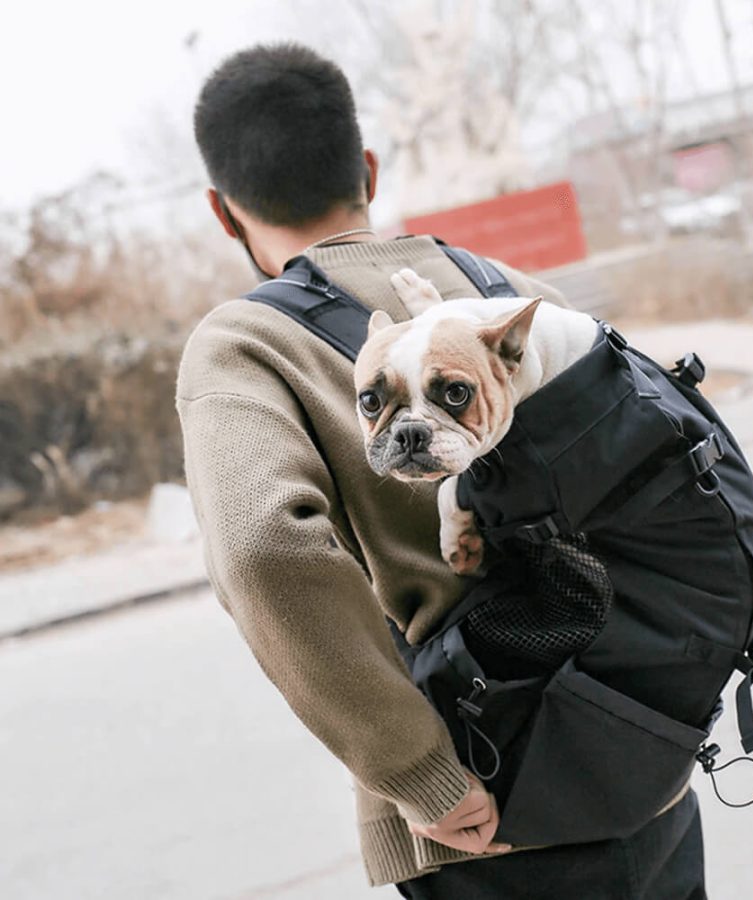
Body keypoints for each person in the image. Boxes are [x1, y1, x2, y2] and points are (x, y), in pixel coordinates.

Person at [181, 42, 707, 898]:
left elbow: (262, 547)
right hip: (640, 758)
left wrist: (415, 768)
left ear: (221, 210)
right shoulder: (505, 291)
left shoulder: (245, 347)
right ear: (369, 169)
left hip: (485, 810)